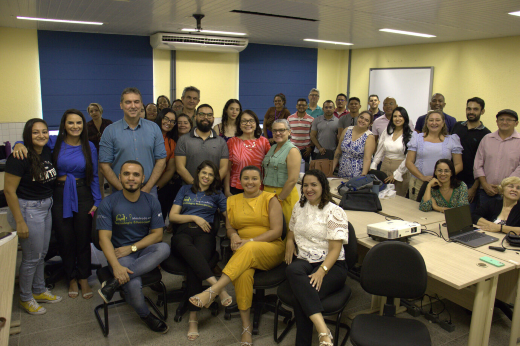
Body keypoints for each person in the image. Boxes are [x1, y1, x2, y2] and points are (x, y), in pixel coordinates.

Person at [188, 166, 285, 346]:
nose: (250, 182)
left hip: (271, 247)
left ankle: (213, 290)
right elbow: (231, 227)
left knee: (246, 250)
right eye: (246, 178)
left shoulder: (270, 199)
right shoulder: (232, 201)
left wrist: (250, 240)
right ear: (239, 181)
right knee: (242, 275)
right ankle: (246, 328)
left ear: (260, 180)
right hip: (244, 249)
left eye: (254, 178)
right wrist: (233, 235)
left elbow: (277, 231)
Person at [13, 109, 101, 299]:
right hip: (59, 194)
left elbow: (94, 175)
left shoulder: (89, 146)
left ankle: (84, 278)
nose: (75, 126)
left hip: (83, 193)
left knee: (83, 238)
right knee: (65, 238)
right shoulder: (54, 142)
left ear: (83, 125)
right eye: (71, 123)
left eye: (79, 123)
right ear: (64, 125)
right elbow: (33, 142)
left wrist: (98, 199)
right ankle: (71, 277)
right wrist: (19, 144)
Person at [97, 160, 170, 333]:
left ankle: (114, 284)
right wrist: (115, 265)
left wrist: (132, 248)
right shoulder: (108, 202)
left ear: (143, 178)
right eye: (127, 174)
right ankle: (145, 315)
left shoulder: (151, 201)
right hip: (120, 255)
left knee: (164, 248)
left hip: (142, 249)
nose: (131, 178)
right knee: (133, 283)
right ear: (120, 177)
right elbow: (103, 239)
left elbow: (157, 235)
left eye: (136, 174)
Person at [169, 161, 232, 340]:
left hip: (205, 235)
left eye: (210, 174)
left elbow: (229, 217)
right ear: (198, 174)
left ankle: (193, 318)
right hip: (183, 232)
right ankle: (218, 288)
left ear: (214, 178)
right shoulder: (185, 190)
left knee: (194, 266)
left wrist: (232, 233)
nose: (206, 177)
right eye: (203, 173)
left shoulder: (217, 194)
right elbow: (173, 216)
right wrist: (195, 217)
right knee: (189, 253)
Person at [285, 170, 349, 346]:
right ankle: (324, 331)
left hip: (332, 264)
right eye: (305, 185)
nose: (309, 189)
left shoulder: (334, 212)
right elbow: (292, 228)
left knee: (303, 295)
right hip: (305, 259)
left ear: (323, 186)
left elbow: (335, 249)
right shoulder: (300, 206)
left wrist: (322, 271)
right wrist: (290, 240)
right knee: (292, 270)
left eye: (314, 185)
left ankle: (311, 339)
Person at [5, 119, 62, 315]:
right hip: (28, 209)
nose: (41, 135)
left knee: (41, 254)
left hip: (46, 206)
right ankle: (25, 298)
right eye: (35, 132)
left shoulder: (45, 151)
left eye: (44, 132)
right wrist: (19, 221)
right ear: (27, 134)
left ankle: (38, 290)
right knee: (31, 258)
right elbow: (9, 191)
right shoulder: (19, 157)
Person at [99, 87, 167, 199]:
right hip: (119, 192)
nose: (133, 106)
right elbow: (104, 165)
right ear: (121, 105)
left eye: (136, 102)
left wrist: (148, 187)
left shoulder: (154, 128)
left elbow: (161, 160)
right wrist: (122, 190)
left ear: (141, 105)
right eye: (128, 102)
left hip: (148, 190)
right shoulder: (110, 131)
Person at [406, 110, 463, 201]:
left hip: (443, 185)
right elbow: (409, 162)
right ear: (426, 122)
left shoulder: (452, 140)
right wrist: (422, 177)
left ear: (443, 123)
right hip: (419, 183)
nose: (434, 123)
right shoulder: (417, 138)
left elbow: (459, 165)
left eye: (437, 120)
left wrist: (444, 177)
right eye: (431, 120)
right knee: (415, 211)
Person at [451, 97, 491, 211]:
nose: (471, 112)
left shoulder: (486, 134)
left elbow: (483, 163)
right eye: (469, 108)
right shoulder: (457, 126)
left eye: (475, 109)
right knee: (448, 214)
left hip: (471, 182)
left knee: (465, 215)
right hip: (452, 179)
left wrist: (474, 188)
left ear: (482, 111)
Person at [474, 109, 520, 205]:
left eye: (509, 120)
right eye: (501, 119)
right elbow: (478, 164)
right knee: (483, 219)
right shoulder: (487, 139)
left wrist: (503, 186)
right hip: (485, 192)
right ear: (497, 122)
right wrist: (485, 185)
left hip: (510, 193)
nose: (504, 122)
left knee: (506, 219)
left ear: (516, 123)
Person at [175, 104, 229, 184]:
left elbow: (224, 168)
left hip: (213, 190)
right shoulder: (183, 140)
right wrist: (196, 185)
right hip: (190, 190)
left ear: (213, 119)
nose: (206, 117)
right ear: (195, 117)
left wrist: (211, 186)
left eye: (209, 115)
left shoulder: (221, 142)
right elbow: (180, 168)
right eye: (202, 114)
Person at [263, 119, 301, 226]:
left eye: (281, 130)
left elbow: (293, 179)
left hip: (284, 196)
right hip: (269, 195)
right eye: (274, 131)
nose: (277, 133)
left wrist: (279, 199)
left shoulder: (292, 150)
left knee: (285, 229)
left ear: (289, 132)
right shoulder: (273, 147)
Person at [370, 107, 413, 197]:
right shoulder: (387, 131)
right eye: (395, 116)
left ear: (405, 118)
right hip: (385, 166)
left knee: (398, 198)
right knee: (382, 195)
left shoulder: (410, 135)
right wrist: (373, 166)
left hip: (401, 169)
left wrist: (397, 174)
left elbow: (409, 157)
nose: (397, 119)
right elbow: (380, 150)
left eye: (400, 116)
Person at [226, 110, 270, 196]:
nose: (248, 124)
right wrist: (227, 191)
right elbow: (227, 170)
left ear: (256, 123)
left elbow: (268, 167)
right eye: (244, 121)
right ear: (239, 124)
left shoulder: (264, 142)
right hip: (236, 188)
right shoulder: (232, 142)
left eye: (251, 121)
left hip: (259, 188)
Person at [333, 111, 376, 179]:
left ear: (370, 124)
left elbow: (367, 159)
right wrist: (332, 167)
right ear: (358, 117)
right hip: (342, 171)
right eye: (361, 117)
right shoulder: (347, 130)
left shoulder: (369, 136)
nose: (362, 121)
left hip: (357, 175)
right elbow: (338, 150)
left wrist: (363, 176)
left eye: (366, 120)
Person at [154, 108, 177, 222]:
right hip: (140, 184)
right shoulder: (147, 134)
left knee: (158, 220)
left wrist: (157, 186)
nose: (169, 123)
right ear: (160, 117)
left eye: (172, 121)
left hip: (159, 187)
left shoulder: (172, 143)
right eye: (166, 119)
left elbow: (170, 170)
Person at [87, 102, 113, 198]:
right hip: (96, 157)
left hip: (109, 156)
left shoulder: (108, 123)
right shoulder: (87, 126)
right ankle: (101, 203)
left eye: (96, 110)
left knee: (112, 181)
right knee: (99, 182)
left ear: (100, 111)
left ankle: (113, 200)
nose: (94, 113)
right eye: (91, 111)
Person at [288, 98, 314, 163]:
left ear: (306, 106)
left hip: (305, 150)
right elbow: (287, 134)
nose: (301, 107)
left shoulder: (311, 119)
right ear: (296, 106)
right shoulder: (290, 118)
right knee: (292, 169)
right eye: (299, 105)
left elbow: (314, 135)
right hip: (292, 148)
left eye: (303, 105)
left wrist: (310, 148)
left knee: (304, 170)